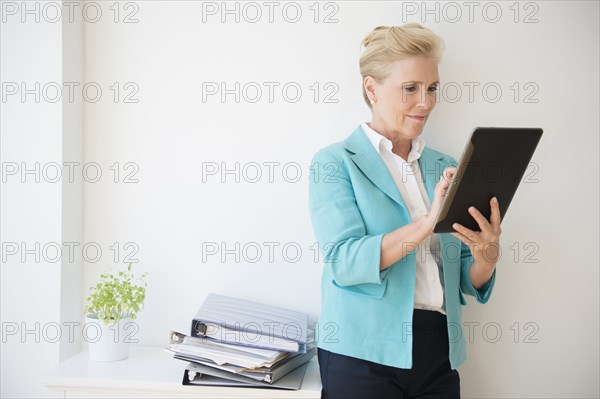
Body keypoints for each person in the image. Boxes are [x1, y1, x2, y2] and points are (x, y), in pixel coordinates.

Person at [308, 23, 501, 399]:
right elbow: (344, 261)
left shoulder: (445, 165)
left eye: (432, 88)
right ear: (371, 88)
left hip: (437, 351)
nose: (425, 102)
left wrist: (486, 257)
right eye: (410, 88)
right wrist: (427, 223)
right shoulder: (334, 163)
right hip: (361, 350)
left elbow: (464, 276)